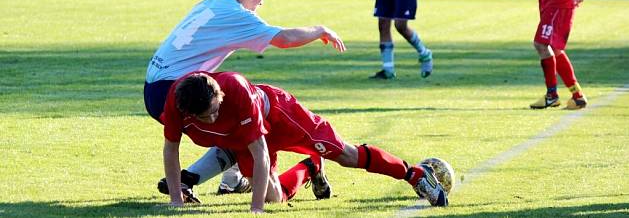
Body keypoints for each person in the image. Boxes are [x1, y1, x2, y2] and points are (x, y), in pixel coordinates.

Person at [145, 0, 346, 200]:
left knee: (230, 119)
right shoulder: (238, 16)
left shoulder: (213, 1)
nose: (262, 2)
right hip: (171, 88)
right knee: (238, 121)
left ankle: (226, 179)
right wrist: (321, 30)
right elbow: (284, 39)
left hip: (153, 85)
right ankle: (192, 182)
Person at [161, 71, 449, 212]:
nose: (210, 120)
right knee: (275, 197)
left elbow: (260, 151)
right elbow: (171, 149)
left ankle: (413, 174)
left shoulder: (236, 91)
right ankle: (310, 168)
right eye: (204, 117)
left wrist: (255, 209)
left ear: (220, 96)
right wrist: (176, 200)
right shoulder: (178, 102)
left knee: (344, 154)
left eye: (214, 112)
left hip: (281, 116)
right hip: (243, 138)